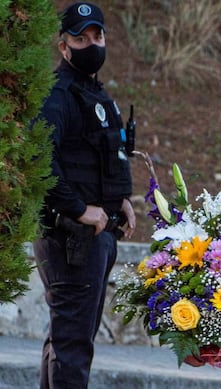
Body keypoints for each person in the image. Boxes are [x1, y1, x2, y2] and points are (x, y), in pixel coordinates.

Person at [32, 2, 136, 388]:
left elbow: (104, 154)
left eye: (98, 36)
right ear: (63, 47)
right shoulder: (57, 96)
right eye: (81, 38)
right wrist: (78, 210)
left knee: (68, 342)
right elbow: (39, 159)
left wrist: (120, 200)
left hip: (96, 239)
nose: (92, 44)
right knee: (72, 348)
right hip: (69, 241)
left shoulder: (94, 94)